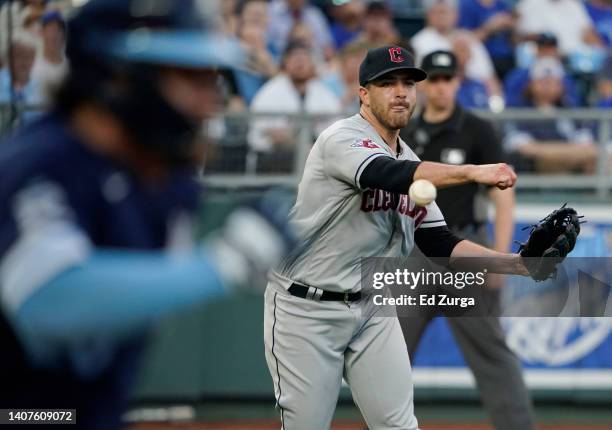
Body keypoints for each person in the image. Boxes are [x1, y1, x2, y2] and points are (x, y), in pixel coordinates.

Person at [0, 1, 290, 429]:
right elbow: (44, 299)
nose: (208, 99)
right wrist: (222, 265)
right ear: (116, 78)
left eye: (209, 78)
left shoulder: (166, 180)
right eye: (186, 76)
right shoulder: (39, 163)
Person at [262, 44, 535, 430]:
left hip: (373, 307)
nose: (401, 91)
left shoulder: (408, 158)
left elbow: (442, 242)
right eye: (387, 83)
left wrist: (517, 264)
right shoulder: (341, 139)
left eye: (408, 82)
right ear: (363, 94)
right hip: (306, 307)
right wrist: (475, 172)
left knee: (399, 425)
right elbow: (387, 176)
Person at [400, 50, 536, 430]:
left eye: (448, 78)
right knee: (387, 350)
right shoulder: (406, 132)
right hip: (413, 253)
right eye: (434, 79)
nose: (441, 86)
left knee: (491, 352)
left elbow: (503, 192)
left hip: (465, 250)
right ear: (422, 86)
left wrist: (499, 255)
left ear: (458, 82)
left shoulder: (477, 129)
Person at [248, 41, 341, 171]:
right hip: (272, 159)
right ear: (285, 63)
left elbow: (335, 131)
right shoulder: (270, 92)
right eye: (296, 59)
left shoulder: (322, 92)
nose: (300, 64)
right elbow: (273, 135)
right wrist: (303, 146)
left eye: (304, 59)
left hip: (314, 156)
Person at [503, 57, 598, 173]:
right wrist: (567, 152)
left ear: (561, 86)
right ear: (531, 84)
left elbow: (588, 146)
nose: (547, 87)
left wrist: (550, 151)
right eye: (542, 82)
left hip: (573, 167)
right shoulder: (519, 110)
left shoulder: (570, 111)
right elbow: (524, 148)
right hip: (536, 171)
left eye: (553, 82)